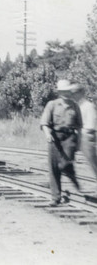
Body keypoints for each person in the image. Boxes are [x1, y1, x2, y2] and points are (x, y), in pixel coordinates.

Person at [40, 79, 82, 207]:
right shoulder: (52, 105)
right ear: (59, 92)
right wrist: (47, 134)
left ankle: (71, 173)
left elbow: (79, 126)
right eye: (63, 91)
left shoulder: (74, 106)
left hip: (69, 137)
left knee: (64, 164)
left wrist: (79, 142)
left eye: (68, 91)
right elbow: (44, 123)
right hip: (55, 137)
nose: (66, 94)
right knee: (54, 168)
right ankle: (55, 197)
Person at [71, 84, 97, 198]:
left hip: (86, 136)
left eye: (75, 93)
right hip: (78, 136)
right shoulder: (77, 106)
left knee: (94, 164)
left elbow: (91, 126)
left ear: (81, 93)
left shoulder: (88, 106)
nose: (74, 95)